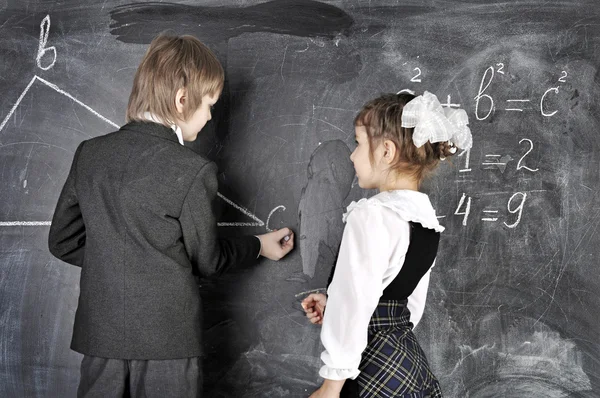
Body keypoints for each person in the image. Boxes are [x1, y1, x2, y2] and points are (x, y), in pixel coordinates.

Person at [48, 33, 294, 397]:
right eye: (210, 104)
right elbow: (207, 261)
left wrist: (117, 259)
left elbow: (62, 242)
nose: (211, 116)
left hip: (101, 340)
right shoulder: (192, 170)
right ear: (182, 100)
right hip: (169, 346)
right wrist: (258, 246)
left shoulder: (90, 155)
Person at [302, 91, 472, 397]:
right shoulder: (426, 222)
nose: (352, 155)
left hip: (370, 369)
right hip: (406, 364)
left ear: (386, 152)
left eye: (358, 143)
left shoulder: (370, 215)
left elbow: (355, 300)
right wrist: (334, 304)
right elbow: (407, 306)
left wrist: (331, 385)